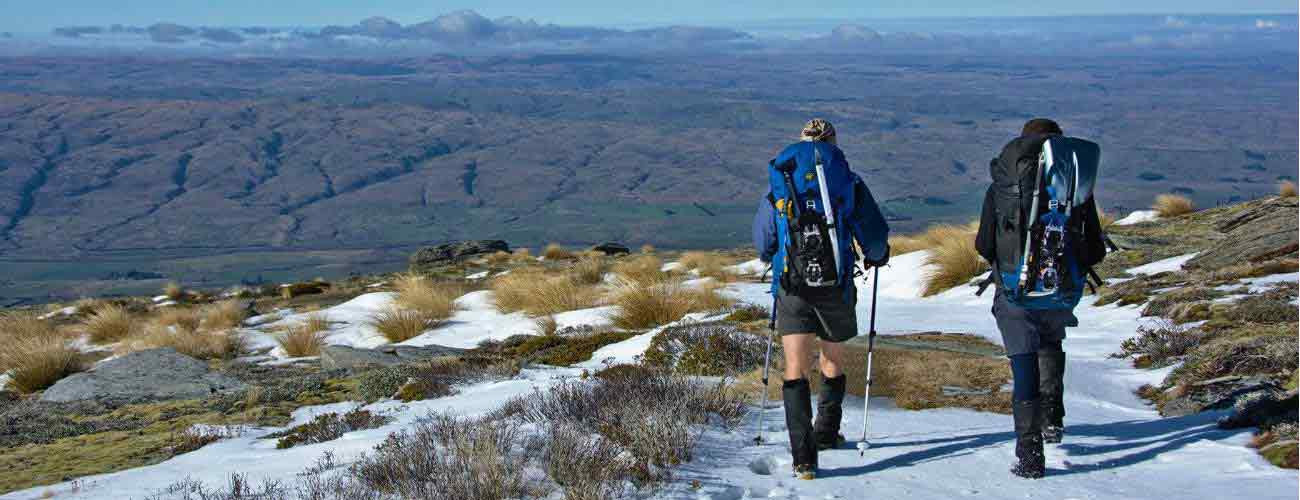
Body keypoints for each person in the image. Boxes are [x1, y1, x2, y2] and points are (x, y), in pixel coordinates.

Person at [752, 119, 890, 480]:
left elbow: (764, 240)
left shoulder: (782, 182)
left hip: (792, 286)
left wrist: (777, 257)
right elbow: (874, 237)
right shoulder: (848, 181)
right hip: (836, 285)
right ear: (833, 143)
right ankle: (826, 432)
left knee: (795, 366)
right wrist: (877, 254)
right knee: (832, 358)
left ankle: (803, 458)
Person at [975, 118, 1106, 479]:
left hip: (1016, 289)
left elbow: (984, 244)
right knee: (1050, 341)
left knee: (1023, 361)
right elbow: (1095, 248)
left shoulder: (1003, 188)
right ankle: (1053, 420)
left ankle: (1030, 454)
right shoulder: (1075, 191)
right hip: (1061, 290)